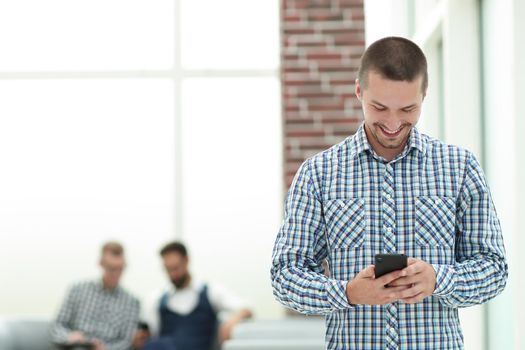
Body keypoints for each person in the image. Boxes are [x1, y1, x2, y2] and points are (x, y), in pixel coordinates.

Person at [271, 36, 508, 349]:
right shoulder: (318, 173)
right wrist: (347, 293)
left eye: (408, 108)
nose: (394, 123)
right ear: (359, 91)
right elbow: (285, 275)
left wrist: (438, 279)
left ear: (425, 95)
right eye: (379, 107)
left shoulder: (460, 167)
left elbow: (493, 269)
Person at [133, 241, 252, 350]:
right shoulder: (156, 300)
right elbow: (149, 337)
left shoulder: (211, 292)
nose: (173, 275)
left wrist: (232, 321)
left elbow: (246, 309)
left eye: (175, 268)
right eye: (168, 270)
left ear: (187, 260)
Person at [50, 241, 140, 350]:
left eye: (120, 269)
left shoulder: (132, 302)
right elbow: (58, 325)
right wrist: (69, 337)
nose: (116, 274)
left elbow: (126, 341)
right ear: (100, 263)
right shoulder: (77, 290)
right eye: (111, 268)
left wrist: (107, 349)